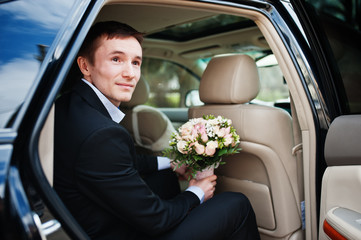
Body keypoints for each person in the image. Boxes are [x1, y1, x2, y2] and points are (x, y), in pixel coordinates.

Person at [54, 21, 260, 240]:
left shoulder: (68, 106)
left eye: (135, 62)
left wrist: (170, 163)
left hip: (86, 221)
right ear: (85, 66)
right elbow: (157, 220)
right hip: (117, 232)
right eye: (116, 59)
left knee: (164, 176)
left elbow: (119, 162)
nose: (130, 74)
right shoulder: (101, 134)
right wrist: (197, 192)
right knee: (236, 203)